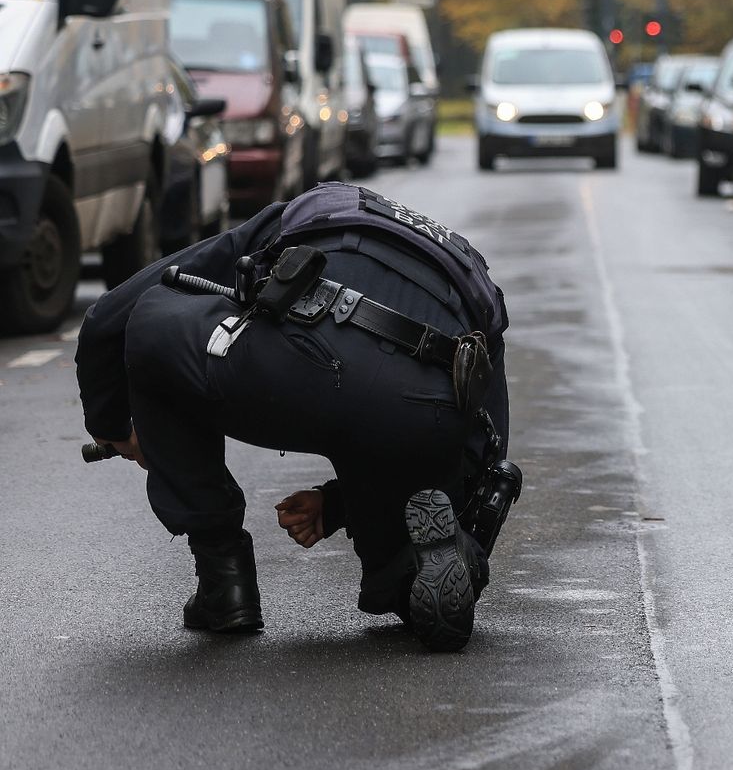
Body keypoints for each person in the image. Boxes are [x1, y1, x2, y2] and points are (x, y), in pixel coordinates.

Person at [77, 183, 515, 653]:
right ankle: (425, 568)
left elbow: (109, 318)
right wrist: (338, 505)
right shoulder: (465, 262)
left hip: (308, 367)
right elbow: (487, 442)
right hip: (424, 412)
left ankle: (224, 579)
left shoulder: (300, 215)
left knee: (154, 315)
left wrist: (113, 427)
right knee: (399, 564)